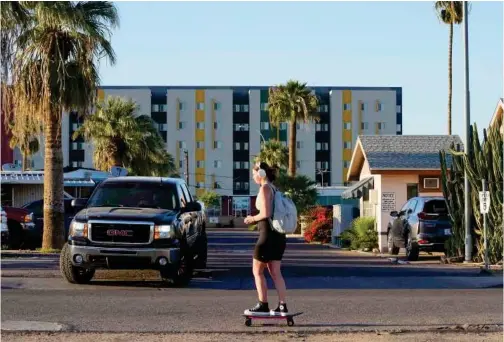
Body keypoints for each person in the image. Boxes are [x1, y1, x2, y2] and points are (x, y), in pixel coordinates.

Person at [243, 162, 288, 316]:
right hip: (279, 236)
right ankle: (282, 306)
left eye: (253, 173)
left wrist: (251, 219)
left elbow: (266, 213)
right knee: (276, 272)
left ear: (261, 173)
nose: (252, 176)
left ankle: (263, 304)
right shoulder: (275, 189)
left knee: (257, 271)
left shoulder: (265, 188)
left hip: (267, 235)